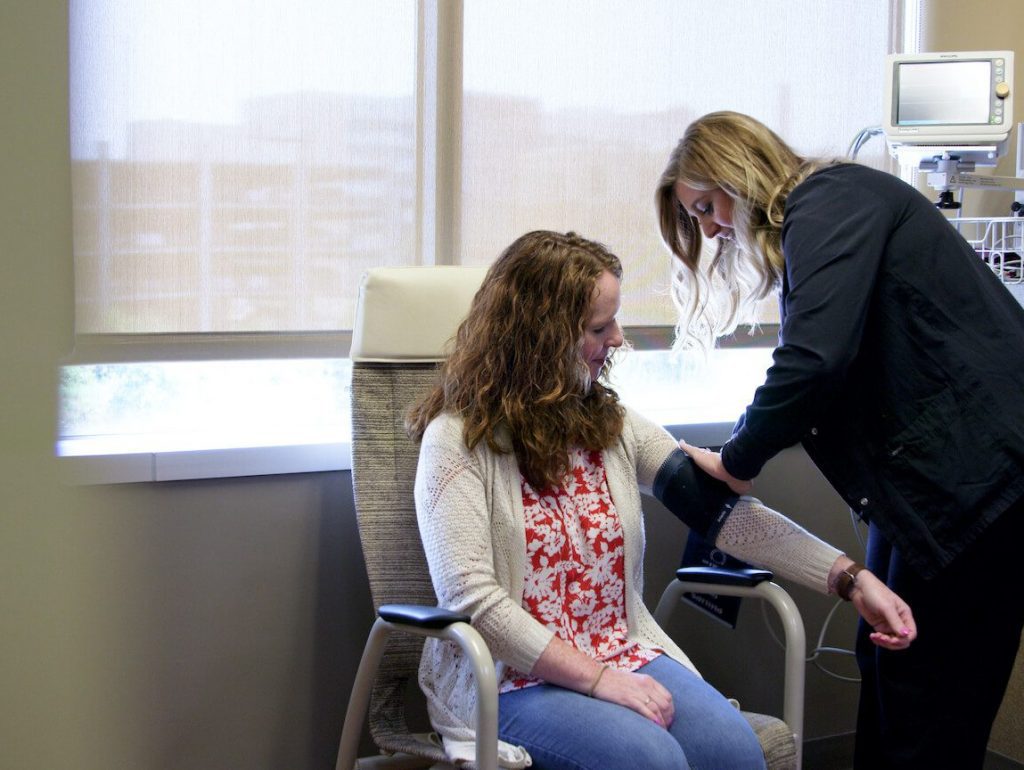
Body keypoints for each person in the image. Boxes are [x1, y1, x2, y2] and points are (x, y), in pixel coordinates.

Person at [406, 230, 915, 770]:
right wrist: (598, 681)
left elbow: (728, 520)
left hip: (621, 653)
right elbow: (473, 603)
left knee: (736, 751)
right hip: (507, 681)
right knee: (651, 761)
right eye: (600, 328)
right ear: (541, 338)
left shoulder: (611, 425)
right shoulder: (457, 441)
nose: (619, 338)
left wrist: (850, 579)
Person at [656, 111, 1024, 770]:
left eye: (708, 206)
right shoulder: (831, 215)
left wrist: (738, 461)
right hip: (934, 493)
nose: (709, 229)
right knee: (886, 663)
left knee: (930, 694)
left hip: (982, 483)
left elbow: (814, 360)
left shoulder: (830, 200)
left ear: (741, 171)